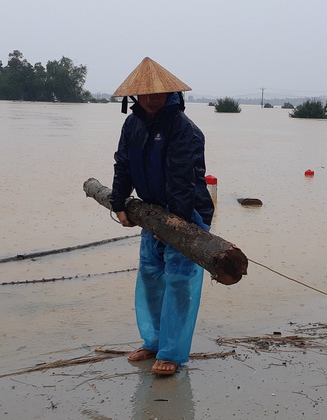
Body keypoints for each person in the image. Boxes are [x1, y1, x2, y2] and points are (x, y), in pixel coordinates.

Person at [109, 57, 214, 376]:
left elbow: (182, 178)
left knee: (179, 281)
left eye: (159, 93)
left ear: (172, 94)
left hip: (186, 213)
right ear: (134, 96)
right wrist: (119, 203)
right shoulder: (132, 124)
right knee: (151, 276)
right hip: (151, 211)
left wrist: (175, 225)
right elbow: (123, 163)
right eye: (145, 93)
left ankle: (172, 351)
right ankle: (153, 340)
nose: (152, 98)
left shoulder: (183, 128)